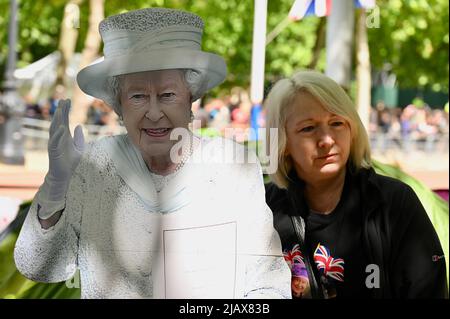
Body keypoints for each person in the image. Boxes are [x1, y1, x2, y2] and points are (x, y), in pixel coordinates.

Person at [14, 8, 291, 299]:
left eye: (168, 95)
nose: (154, 113)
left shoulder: (232, 166)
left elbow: (268, 282)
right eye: (138, 97)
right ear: (118, 105)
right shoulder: (92, 166)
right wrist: (55, 190)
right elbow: (39, 267)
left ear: (191, 98)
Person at [264, 70, 448, 298]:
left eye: (337, 123)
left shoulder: (394, 202)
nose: (327, 140)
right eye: (308, 128)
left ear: (352, 131)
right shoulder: (263, 208)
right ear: (283, 143)